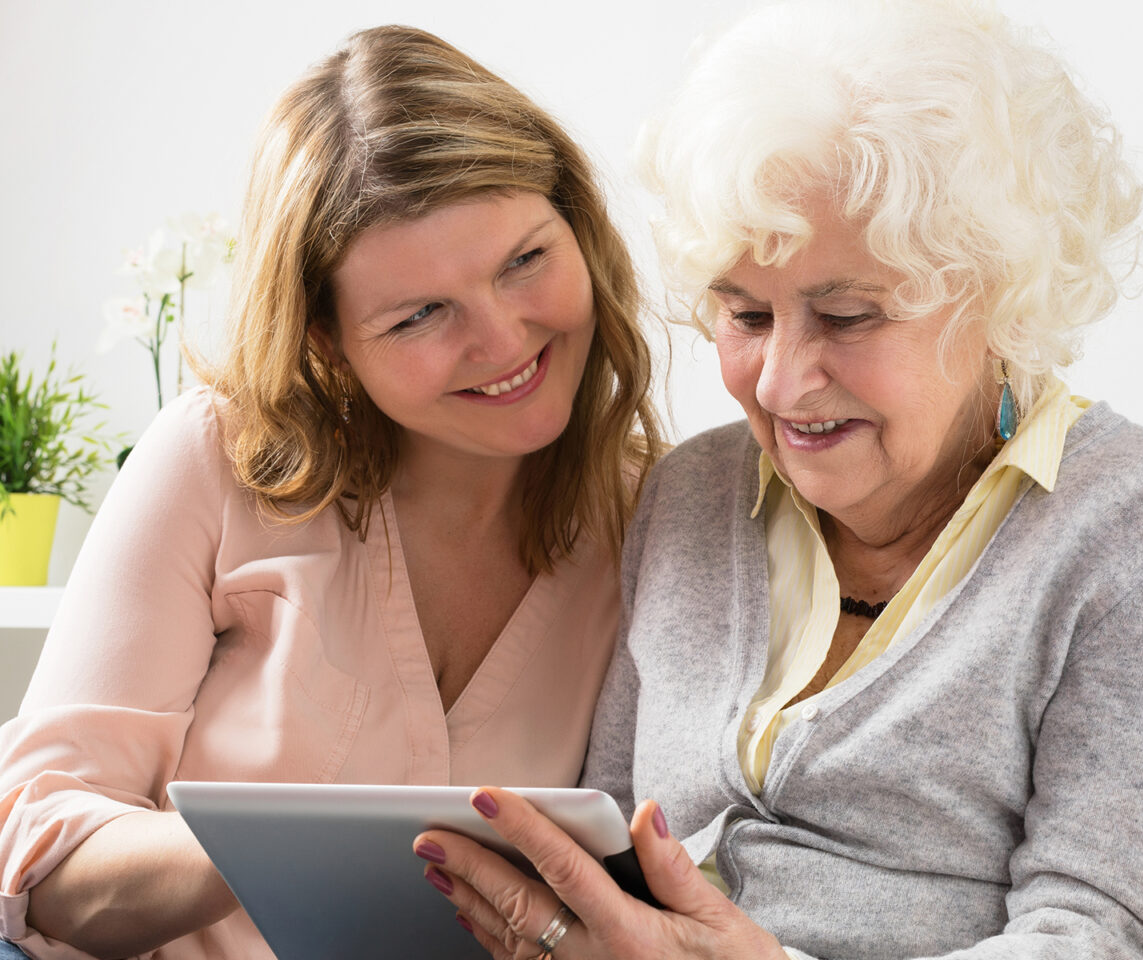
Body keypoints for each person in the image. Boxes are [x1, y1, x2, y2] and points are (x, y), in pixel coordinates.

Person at [414, 1, 1143, 959]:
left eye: (849, 316)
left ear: (997, 295)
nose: (779, 383)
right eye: (745, 316)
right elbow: (610, 833)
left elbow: (1111, 937)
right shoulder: (691, 493)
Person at [0, 24, 660, 960]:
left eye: (524, 262)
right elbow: (42, 862)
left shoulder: (649, 520)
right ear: (323, 337)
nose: (504, 340)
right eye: (420, 314)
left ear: (578, 227)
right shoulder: (215, 461)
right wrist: (294, 846)